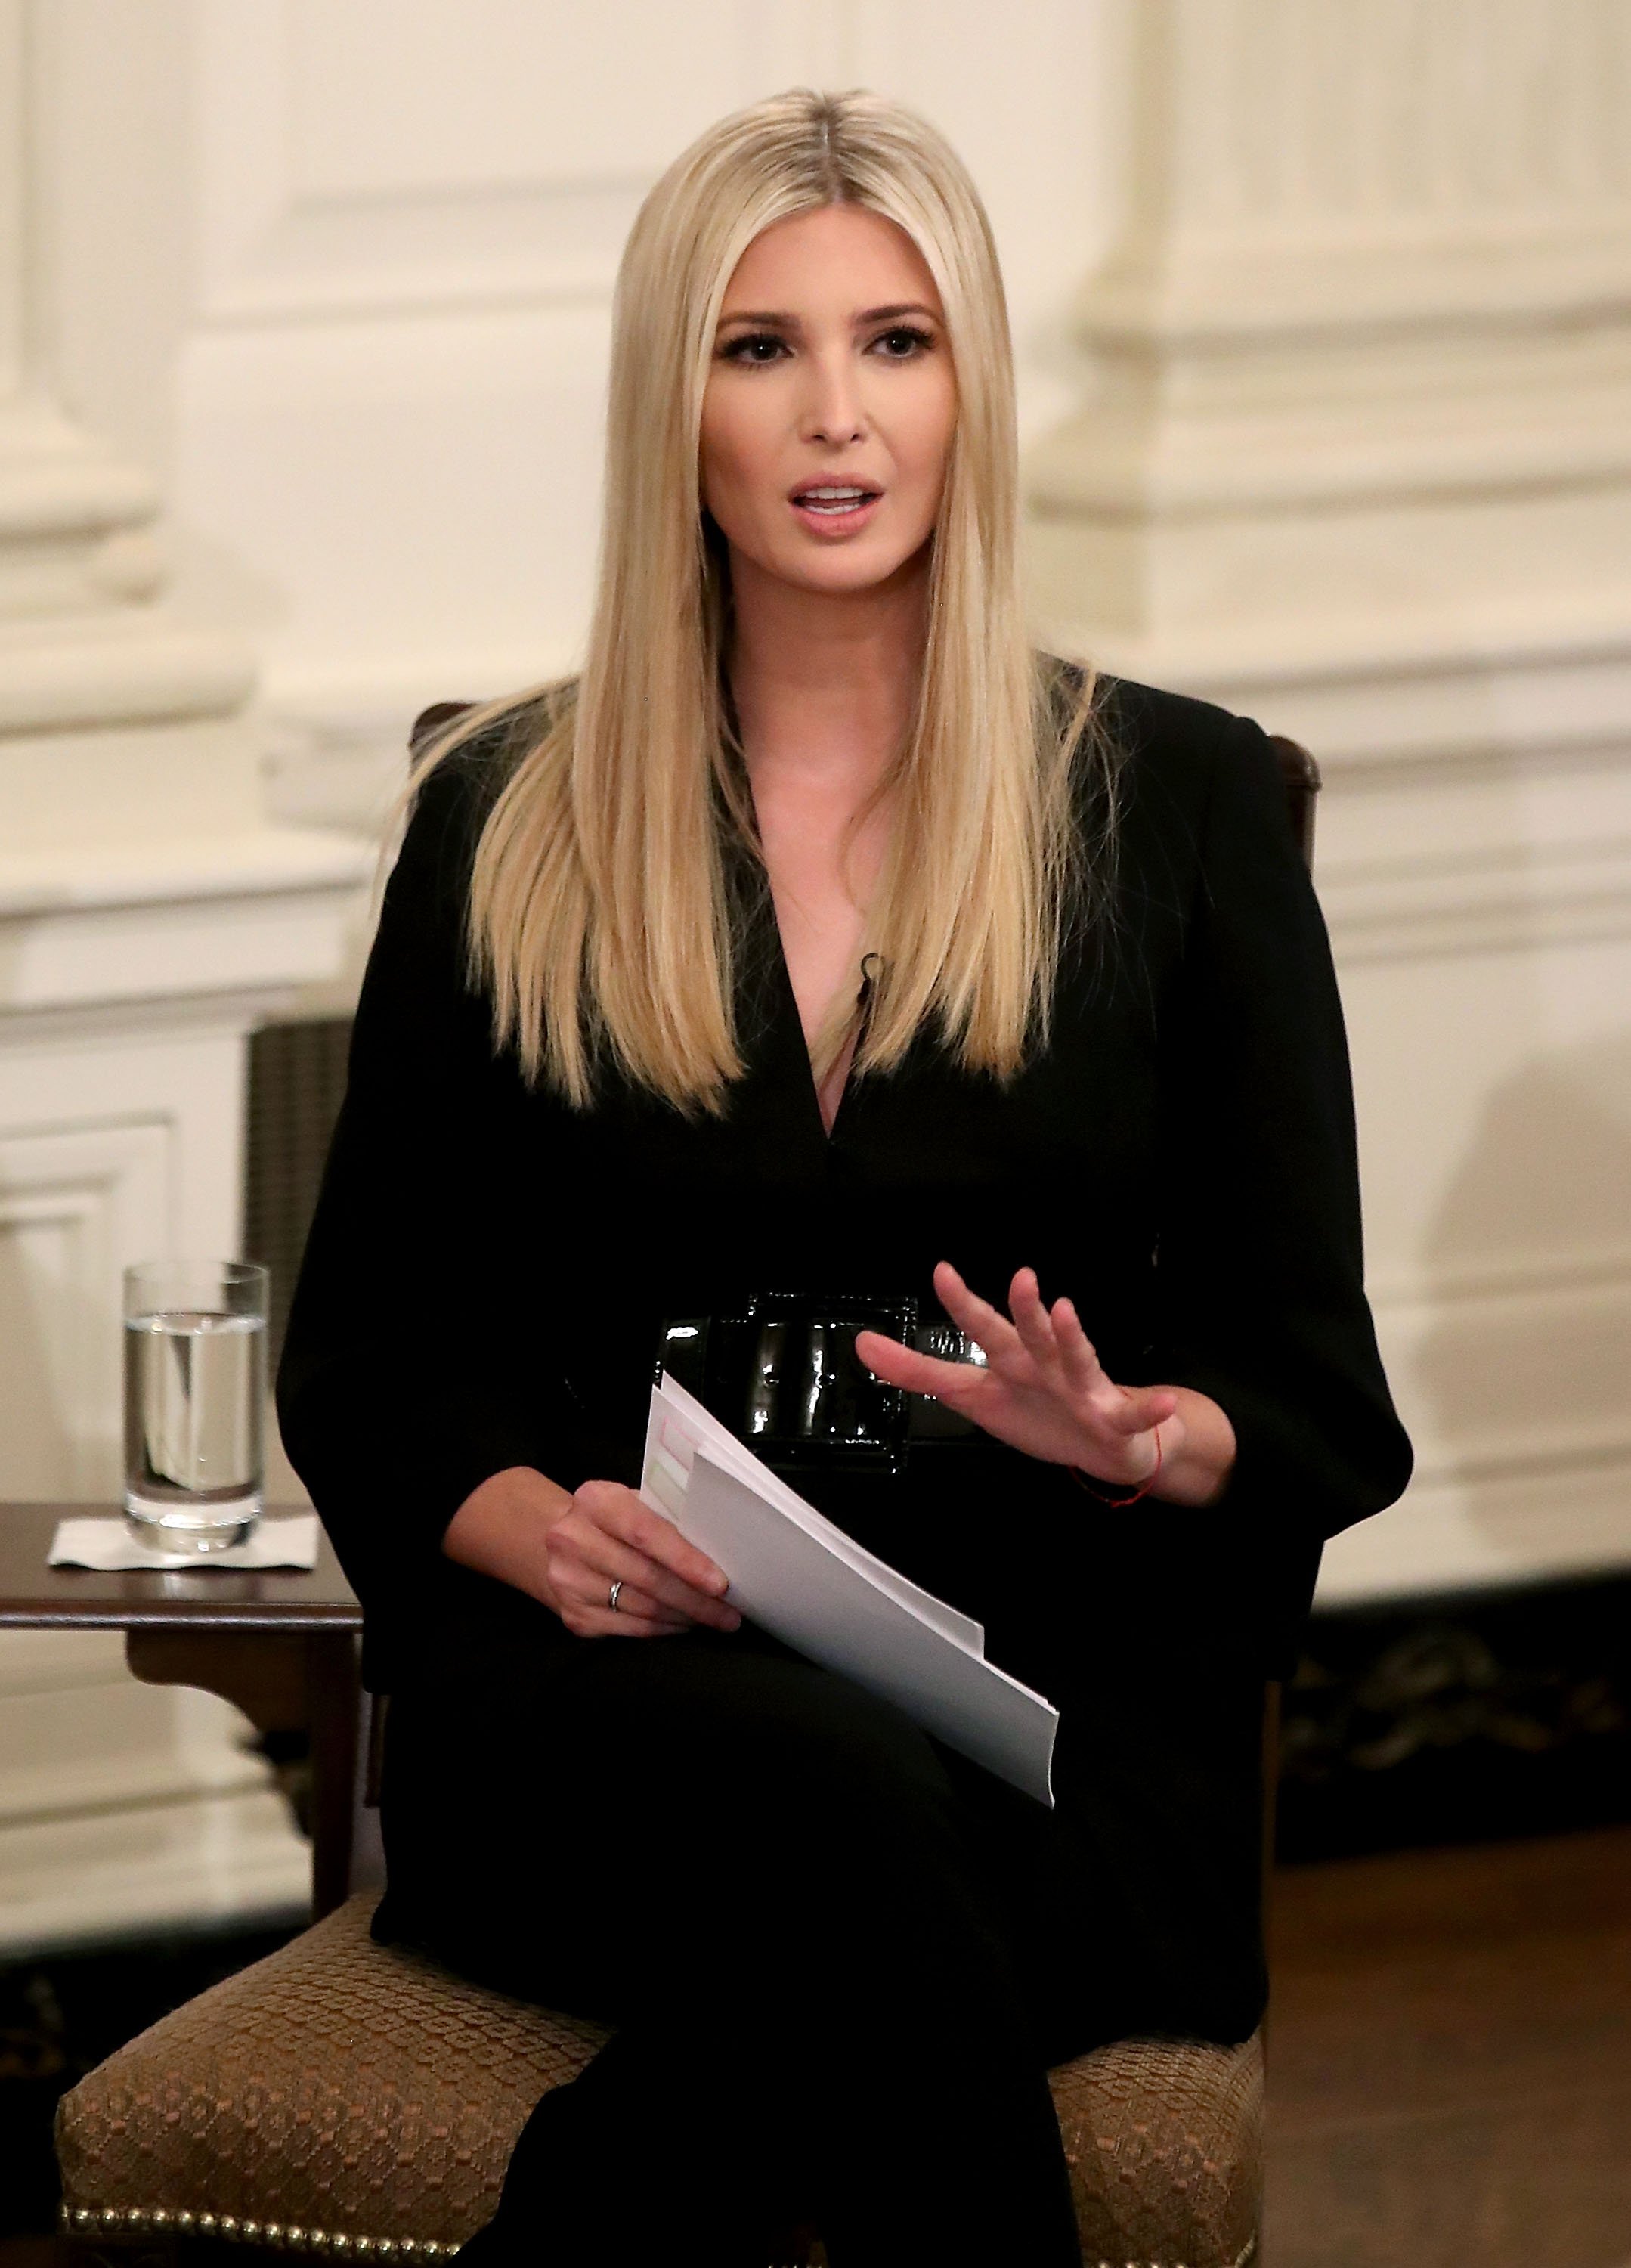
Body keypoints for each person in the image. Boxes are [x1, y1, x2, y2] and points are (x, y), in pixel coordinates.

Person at [277, 87, 1412, 2268]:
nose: (836, 415)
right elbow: (377, 1348)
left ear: (973, 382)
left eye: (897, 341)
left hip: (1045, 1704)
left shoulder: (1173, 810)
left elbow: (1319, 1394)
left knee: (790, 1976)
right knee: (826, 1809)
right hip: (620, 1711)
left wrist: (1136, 1439)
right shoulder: (507, 818)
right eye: (758, 345)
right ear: (669, 400)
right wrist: (535, 1528)